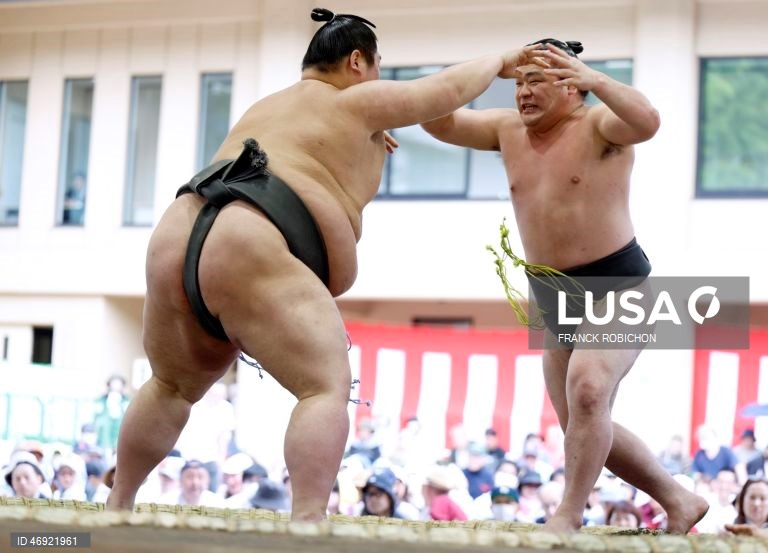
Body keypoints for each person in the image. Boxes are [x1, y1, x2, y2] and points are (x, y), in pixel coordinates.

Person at [105, 7, 543, 522]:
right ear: (357, 62)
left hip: (178, 231)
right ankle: (308, 520)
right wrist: (500, 61)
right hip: (249, 235)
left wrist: (366, 131)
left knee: (170, 385)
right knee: (324, 386)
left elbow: (305, 151)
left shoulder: (271, 105)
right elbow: (441, 93)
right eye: (377, 70)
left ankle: (118, 501)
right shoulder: (354, 100)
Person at [422, 38, 709, 533]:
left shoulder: (600, 124)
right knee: (583, 421)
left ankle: (568, 514)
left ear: (572, 86)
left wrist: (595, 78)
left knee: (590, 389)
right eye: (519, 83)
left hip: (619, 285)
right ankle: (679, 499)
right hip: (551, 295)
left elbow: (649, 120)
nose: (523, 93)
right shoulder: (505, 129)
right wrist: (495, 61)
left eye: (537, 82)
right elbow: (436, 117)